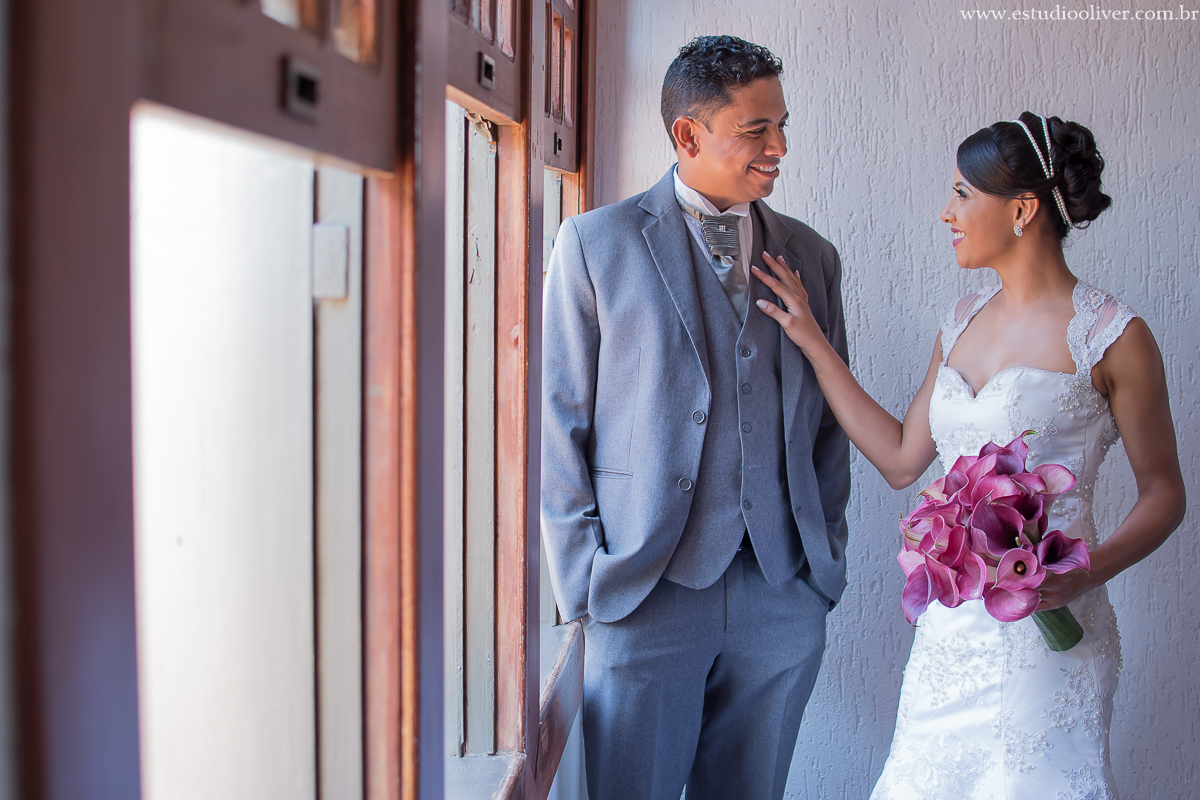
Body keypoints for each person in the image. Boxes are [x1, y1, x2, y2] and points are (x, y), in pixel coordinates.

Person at [753, 111, 1186, 798]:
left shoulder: (1112, 335)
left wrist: (1081, 574)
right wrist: (811, 339)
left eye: (961, 194)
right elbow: (901, 459)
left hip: (1053, 639)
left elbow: (1164, 492)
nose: (945, 213)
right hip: (951, 637)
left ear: (1021, 208)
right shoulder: (959, 322)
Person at [540, 36, 851, 800]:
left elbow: (828, 424)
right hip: (644, 592)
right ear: (688, 134)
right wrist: (585, 581)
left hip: (780, 592)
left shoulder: (813, 256)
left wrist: (821, 563)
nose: (779, 147)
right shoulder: (594, 243)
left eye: (782, 125)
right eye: (756, 129)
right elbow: (557, 420)